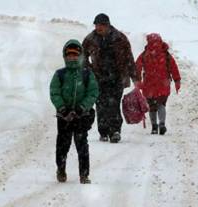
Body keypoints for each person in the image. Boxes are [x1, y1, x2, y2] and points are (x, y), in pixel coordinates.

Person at [82, 13, 141, 143]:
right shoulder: (90, 39)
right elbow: (82, 57)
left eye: (101, 25)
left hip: (117, 78)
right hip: (98, 78)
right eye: (96, 25)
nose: (98, 28)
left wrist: (135, 78)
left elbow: (129, 59)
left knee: (114, 104)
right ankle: (103, 131)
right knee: (101, 104)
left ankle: (115, 131)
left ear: (107, 25)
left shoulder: (120, 38)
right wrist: (87, 70)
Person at [50, 39, 99, 184]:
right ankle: (61, 169)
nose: (72, 57)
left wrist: (82, 107)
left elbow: (93, 92)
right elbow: (54, 92)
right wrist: (62, 108)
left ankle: (84, 174)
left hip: (81, 116)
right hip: (64, 117)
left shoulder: (86, 74)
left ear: (81, 56)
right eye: (69, 55)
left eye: (75, 55)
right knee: (62, 145)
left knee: (82, 145)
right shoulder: (59, 74)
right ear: (65, 56)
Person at [135, 33, 181, 135]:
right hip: (163, 84)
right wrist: (177, 80)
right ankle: (162, 123)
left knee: (152, 106)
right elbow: (174, 68)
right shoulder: (166, 54)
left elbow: (137, 67)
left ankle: (154, 126)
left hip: (149, 84)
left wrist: (137, 80)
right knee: (161, 104)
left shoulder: (145, 54)